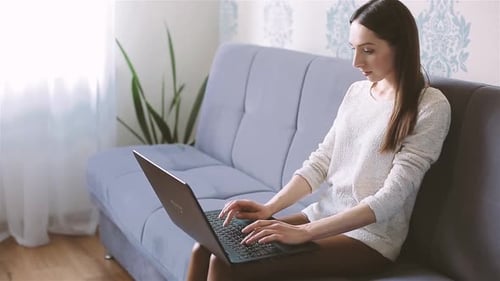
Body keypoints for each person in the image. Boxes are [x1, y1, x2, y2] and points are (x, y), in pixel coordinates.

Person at [186, 0, 451, 280]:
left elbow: (391, 198)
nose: (356, 62)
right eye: (354, 50)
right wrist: (270, 208)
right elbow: (321, 161)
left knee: (226, 262)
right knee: (205, 247)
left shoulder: (429, 105)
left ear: (401, 47)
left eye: (368, 51)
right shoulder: (357, 93)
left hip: (369, 238)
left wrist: (304, 232)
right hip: (323, 214)